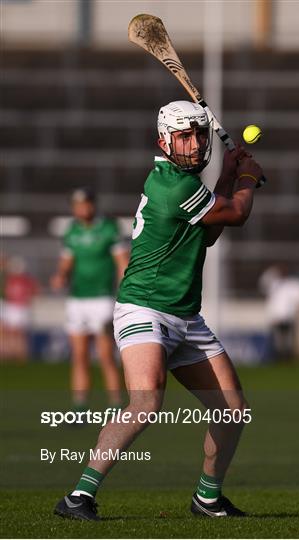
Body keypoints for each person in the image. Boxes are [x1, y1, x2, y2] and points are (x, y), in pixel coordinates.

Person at [54, 101, 265, 520]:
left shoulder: (187, 184)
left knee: (233, 410)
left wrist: (227, 175)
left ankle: (207, 498)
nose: (195, 143)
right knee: (146, 403)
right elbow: (236, 214)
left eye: (199, 134)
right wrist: (246, 178)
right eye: (185, 136)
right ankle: (78, 497)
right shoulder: (174, 186)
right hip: (145, 308)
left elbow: (208, 234)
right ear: (164, 142)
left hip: (186, 315)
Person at [50, 188, 129, 412]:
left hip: (102, 299)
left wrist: (124, 291)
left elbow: (121, 262)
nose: (81, 208)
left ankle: (115, 405)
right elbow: (67, 260)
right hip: (77, 299)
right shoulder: (72, 230)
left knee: (105, 354)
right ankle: (80, 407)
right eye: (77, 205)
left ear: (93, 204)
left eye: (85, 204)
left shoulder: (109, 228)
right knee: (79, 355)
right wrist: (60, 276)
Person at [259, 264, 299, 360]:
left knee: (289, 341)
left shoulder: (293, 285)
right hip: (276, 318)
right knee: (277, 340)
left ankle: (288, 358)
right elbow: (263, 281)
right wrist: (273, 270)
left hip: (289, 317)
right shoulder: (274, 283)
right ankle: (277, 357)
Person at [1, 256, 39, 361]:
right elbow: (8, 293)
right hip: (12, 307)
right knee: (10, 332)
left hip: (21, 308)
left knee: (20, 334)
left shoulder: (27, 280)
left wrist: (26, 299)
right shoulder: (10, 280)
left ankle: (20, 355)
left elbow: (34, 291)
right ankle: (9, 354)